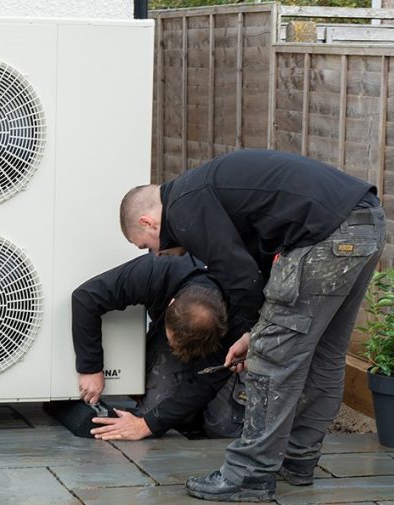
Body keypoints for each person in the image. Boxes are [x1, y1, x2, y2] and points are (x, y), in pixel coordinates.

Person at [120, 148, 386, 501]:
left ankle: (250, 475)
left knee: (270, 361)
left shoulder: (183, 209)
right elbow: (254, 263)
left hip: (326, 238)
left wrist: (255, 335)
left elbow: (238, 274)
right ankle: (298, 460)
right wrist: (255, 329)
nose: (155, 254)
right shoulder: (201, 189)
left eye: (146, 246)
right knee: (325, 357)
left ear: (148, 223)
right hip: (365, 223)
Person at [72, 252, 246, 441]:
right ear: (170, 304)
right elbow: (85, 298)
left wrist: (144, 426)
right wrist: (90, 367)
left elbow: (205, 384)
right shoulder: (156, 271)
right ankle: (189, 412)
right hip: (186, 324)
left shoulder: (236, 314)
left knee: (223, 428)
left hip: (220, 349)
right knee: (153, 411)